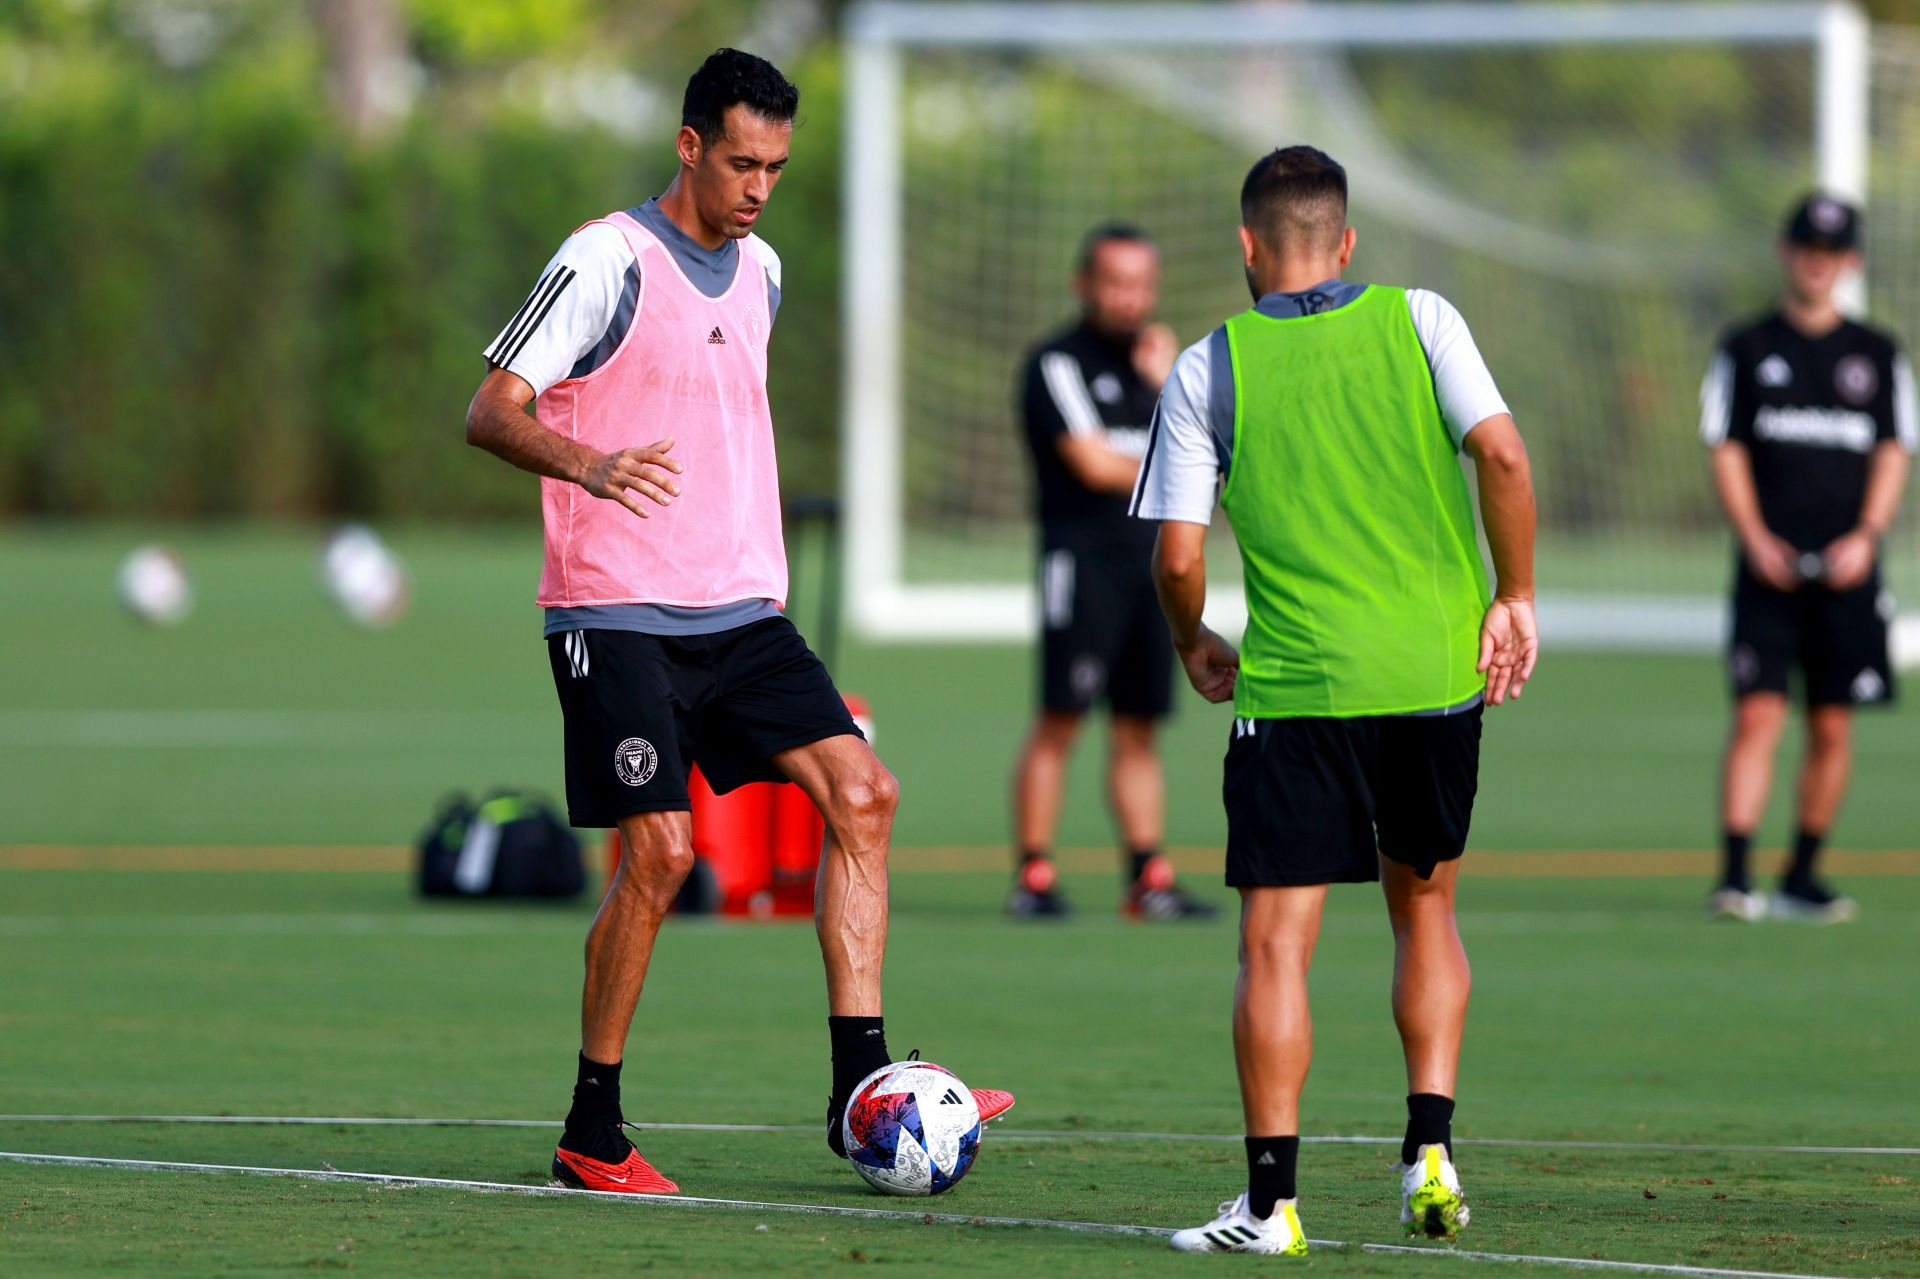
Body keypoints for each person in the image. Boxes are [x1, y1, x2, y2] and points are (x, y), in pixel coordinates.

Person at [463, 48, 1010, 1195]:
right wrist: (591, 462)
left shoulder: (762, 270)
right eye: (742, 162)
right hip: (614, 612)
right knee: (659, 854)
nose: (760, 186)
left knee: (866, 792)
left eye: (778, 167)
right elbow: (492, 409)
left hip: (742, 610)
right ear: (689, 145)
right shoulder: (602, 258)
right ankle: (591, 1129)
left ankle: (857, 1094)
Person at [1129, 146, 1537, 1254]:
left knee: (1276, 946)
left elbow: (1176, 557)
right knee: (1429, 911)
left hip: (1301, 686)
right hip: (1433, 677)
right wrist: (1518, 596)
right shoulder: (1423, 317)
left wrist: (1191, 640)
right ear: (1346, 242)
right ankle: (1432, 1151)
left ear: (1249, 249)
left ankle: (1271, 1206)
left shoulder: (1213, 365)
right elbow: (1500, 456)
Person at [1700, 193, 1914, 925]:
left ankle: (1802, 873)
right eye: (1806, 249)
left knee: (1832, 724)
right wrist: (1755, 536)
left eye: (1832, 253)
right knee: (1758, 715)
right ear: (1786, 252)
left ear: (1849, 262)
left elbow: (1893, 448)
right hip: (1769, 571)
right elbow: (1724, 444)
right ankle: (1735, 875)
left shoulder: (1878, 355)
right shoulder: (1747, 348)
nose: (1817, 263)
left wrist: (1868, 535)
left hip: (1850, 574)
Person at [1008, 224, 1215, 921]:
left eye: (1141, 285)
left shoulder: (1167, 369)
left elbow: (1213, 452)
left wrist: (1168, 385)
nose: (1129, 299)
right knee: (1060, 718)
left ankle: (1147, 877)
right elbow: (1095, 464)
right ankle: (1034, 875)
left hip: (1151, 569)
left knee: (1138, 728)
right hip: (1082, 565)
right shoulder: (1055, 363)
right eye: (1115, 282)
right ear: (1084, 283)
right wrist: (1177, 468)